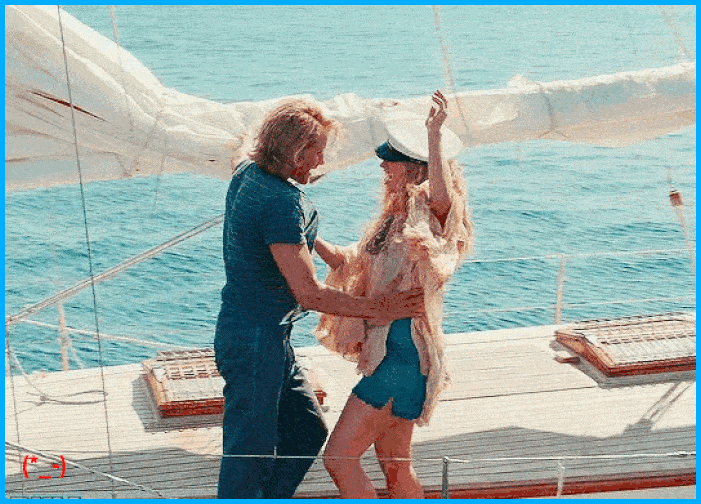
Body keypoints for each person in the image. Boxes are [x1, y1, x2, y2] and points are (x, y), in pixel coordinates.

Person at [214, 98, 425, 499]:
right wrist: (380, 308)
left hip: (263, 336)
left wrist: (330, 256)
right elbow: (309, 293)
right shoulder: (281, 202)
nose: (321, 160)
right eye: (316, 151)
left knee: (307, 431)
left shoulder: (249, 174)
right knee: (249, 453)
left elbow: (282, 239)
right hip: (255, 342)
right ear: (295, 152)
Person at [314, 90, 474, 498]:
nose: (383, 165)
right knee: (396, 466)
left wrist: (434, 138)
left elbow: (443, 202)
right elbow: (351, 261)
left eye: (391, 160)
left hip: (402, 359)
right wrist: (304, 234)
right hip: (394, 357)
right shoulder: (393, 220)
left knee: (339, 458)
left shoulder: (428, 218)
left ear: (414, 169)